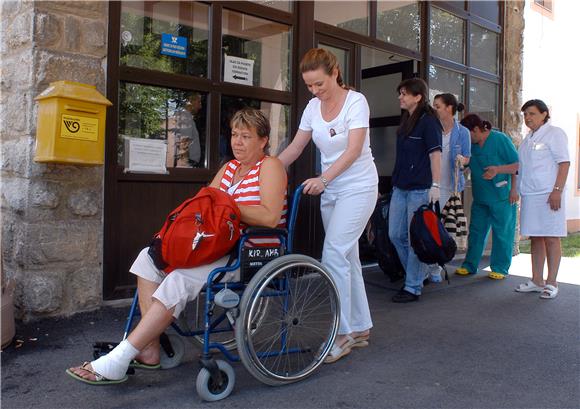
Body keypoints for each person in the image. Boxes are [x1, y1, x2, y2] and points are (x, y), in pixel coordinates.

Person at [67, 108, 287, 384]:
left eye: (246, 136)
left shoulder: (270, 166)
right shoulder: (229, 168)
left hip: (248, 251)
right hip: (215, 244)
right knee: (148, 259)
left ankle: (121, 356)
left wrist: (227, 207)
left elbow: (269, 216)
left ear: (263, 140)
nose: (237, 142)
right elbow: (205, 206)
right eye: (234, 135)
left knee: (179, 278)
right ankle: (149, 347)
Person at [277, 48, 378, 363]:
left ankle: (342, 333)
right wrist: (267, 171)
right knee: (347, 256)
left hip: (359, 187)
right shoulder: (311, 107)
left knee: (333, 253)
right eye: (309, 86)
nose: (315, 91)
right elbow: (296, 145)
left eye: (319, 84)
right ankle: (360, 327)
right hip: (331, 189)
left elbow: (353, 149)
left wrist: (323, 178)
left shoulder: (355, 102)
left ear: (335, 72)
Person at [388, 78, 442, 302]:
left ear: (418, 96)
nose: (400, 97)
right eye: (400, 93)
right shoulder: (406, 120)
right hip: (400, 187)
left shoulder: (429, 121)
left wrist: (435, 185)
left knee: (414, 239)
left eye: (404, 93)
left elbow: (435, 154)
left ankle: (412, 287)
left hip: (419, 188)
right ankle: (422, 273)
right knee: (395, 235)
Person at [515, 99, 570, 299]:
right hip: (530, 195)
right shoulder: (528, 138)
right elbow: (521, 168)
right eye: (525, 115)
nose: (528, 118)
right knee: (536, 237)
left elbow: (564, 163)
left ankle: (552, 282)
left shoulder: (555, 134)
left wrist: (557, 190)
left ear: (544, 114)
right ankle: (537, 280)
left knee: (551, 237)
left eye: (532, 113)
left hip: (548, 194)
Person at [455, 114, 519, 280]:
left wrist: (513, 189)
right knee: (476, 232)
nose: (467, 139)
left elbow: (517, 165)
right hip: (481, 197)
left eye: (468, 134)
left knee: (502, 233)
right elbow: (467, 163)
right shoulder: (472, 145)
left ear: (476, 130)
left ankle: (500, 268)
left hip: (502, 197)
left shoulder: (500, 140)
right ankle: (470, 265)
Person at [428, 93, 471, 282]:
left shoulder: (463, 132)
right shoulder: (432, 128)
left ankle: (437, 266)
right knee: (428, 225)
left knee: (443, 228)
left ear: (449, 108)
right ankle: (427, 265)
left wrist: (462, 160)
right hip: (430, 185)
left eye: (437, 106)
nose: (434, 109)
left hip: (451, 188)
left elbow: (468, 157)